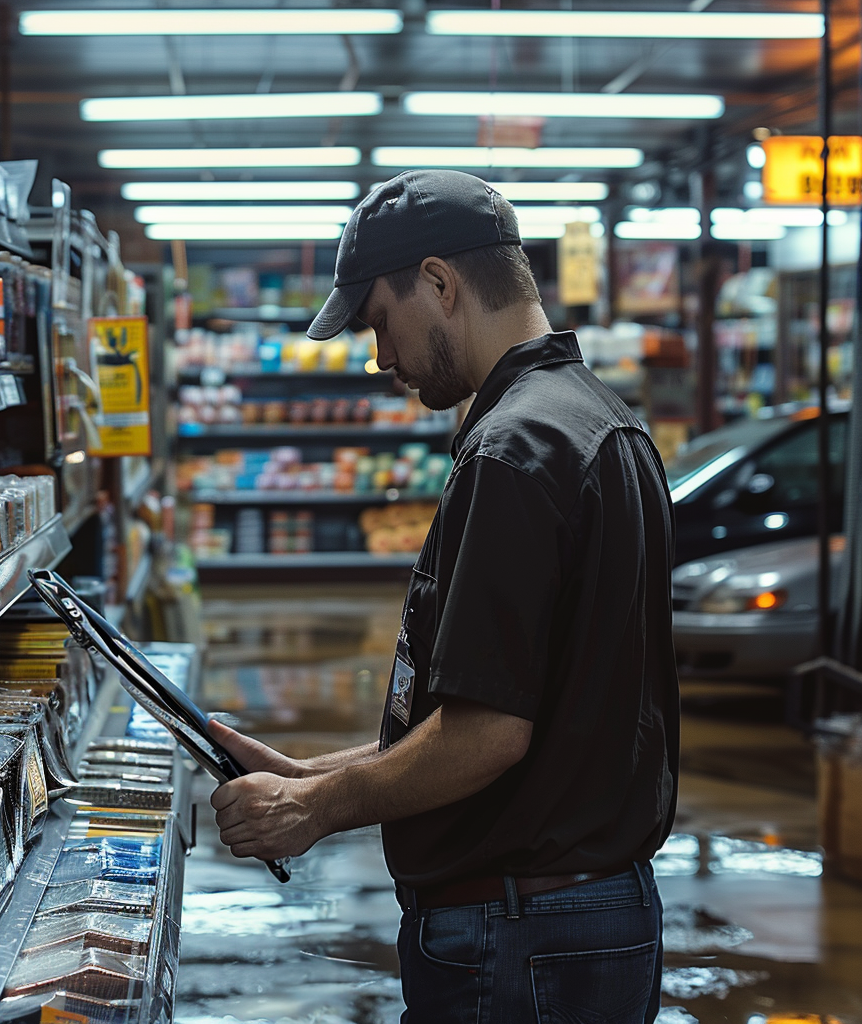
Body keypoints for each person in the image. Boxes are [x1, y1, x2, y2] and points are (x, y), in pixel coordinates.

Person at [206, 169, 680, 1023]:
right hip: (580, 917)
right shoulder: (603, 421)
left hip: (519, 933)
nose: (381, 356)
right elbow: (543, 707)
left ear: (439, 283)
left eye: (381, 322)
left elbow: (490, 734)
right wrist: (315, 769)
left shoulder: (511, 449)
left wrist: (313, 808)